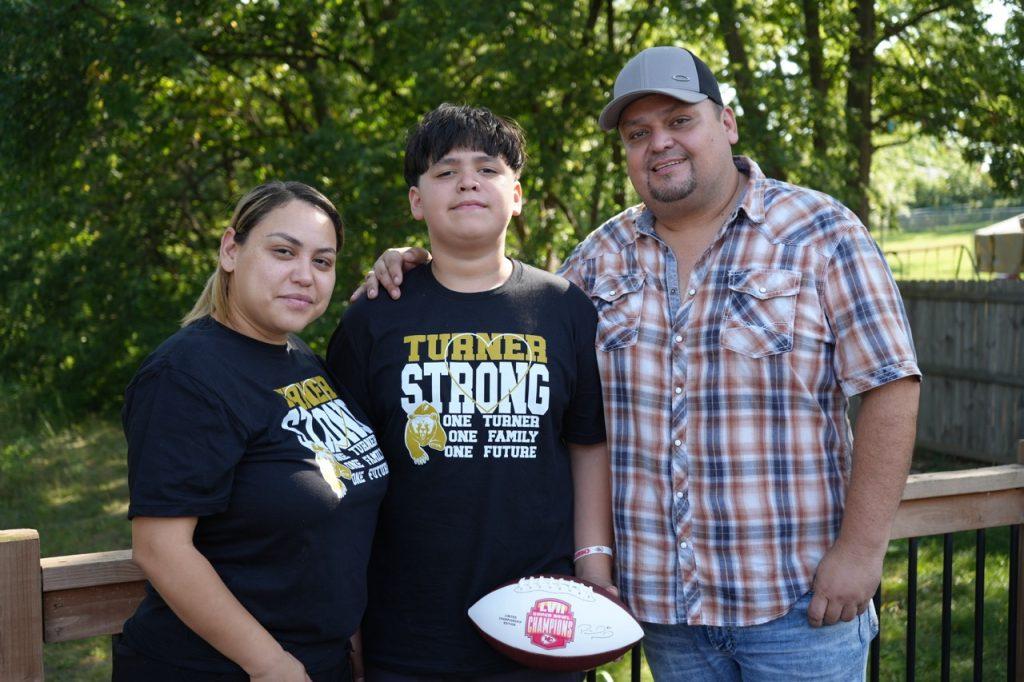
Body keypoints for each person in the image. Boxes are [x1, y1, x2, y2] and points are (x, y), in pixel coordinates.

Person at [358, 47, 921, 680]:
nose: (660, 143)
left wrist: (862, 550)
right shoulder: (597, 261)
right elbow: (497, 302)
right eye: (638, 133)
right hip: (664, 618)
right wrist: (415, 263)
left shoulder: (820, 231)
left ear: (726, 124)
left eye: (680, 121)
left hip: (799, 607)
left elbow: (891, 385)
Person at [326, 104, 613, 680]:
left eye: (488, 168)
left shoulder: (565, 309)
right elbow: (340, 477)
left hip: (542, 619)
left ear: (517, 195)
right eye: (445, 171)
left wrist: (595, 572)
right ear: (416, 201)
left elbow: (586, 445)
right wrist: (344, 618)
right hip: (406, 627)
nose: (467, 181)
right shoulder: (372, 320)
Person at [116, 181, 389, 682]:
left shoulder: (303, 361)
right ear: (230, 249)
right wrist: (270, 666)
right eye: (283, 252)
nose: (304, 276)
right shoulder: (185, 376)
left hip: (318, 661)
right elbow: (160, 547)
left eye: (322, 262)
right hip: (217, 669)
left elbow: (336, 516)